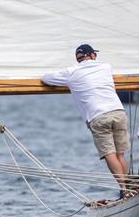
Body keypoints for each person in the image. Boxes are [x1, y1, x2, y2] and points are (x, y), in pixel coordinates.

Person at [41, 44, 131, 195]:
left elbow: (46, 79)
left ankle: (124, 189)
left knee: (109, 153)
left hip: (98, 116)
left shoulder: (72, 72)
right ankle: (131, 187)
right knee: (120, 154)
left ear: (78, 59)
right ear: (93, 56)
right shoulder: (106, 67)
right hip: (118, 111)